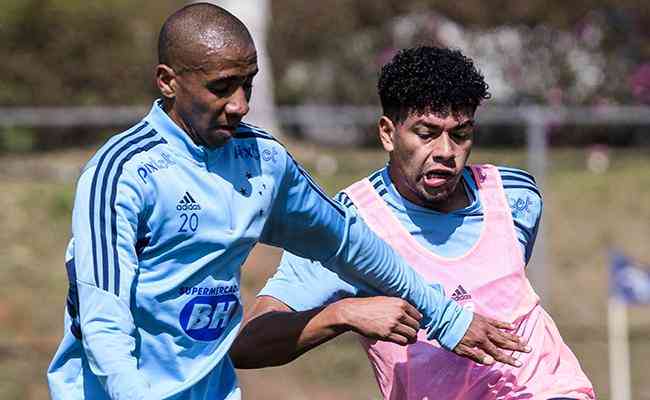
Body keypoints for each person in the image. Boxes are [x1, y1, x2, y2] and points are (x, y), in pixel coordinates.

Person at [46, 5, 528, 400]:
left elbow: (351, 244)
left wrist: (446, 316)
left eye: (248, 84)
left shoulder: (261, 162)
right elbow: (103, 320)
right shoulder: (124, 173)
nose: (240, 104)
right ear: (167, 81)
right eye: (221, 87)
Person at [231, 46, 596, 399]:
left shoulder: (515, 197)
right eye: (426, 134)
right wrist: (343, 315)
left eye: (461, 134)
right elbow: (248, 342)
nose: (446, 152)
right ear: (388, 133)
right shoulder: (349, 225)